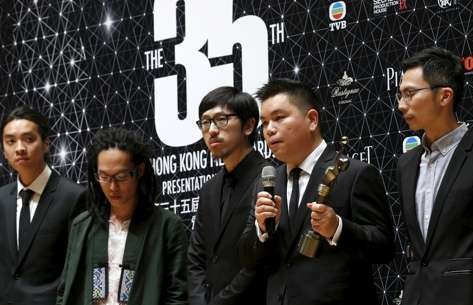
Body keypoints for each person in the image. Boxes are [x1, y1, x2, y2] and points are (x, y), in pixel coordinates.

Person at [239, 79, 394, 305]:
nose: (269, 129)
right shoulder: (266, 183)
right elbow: (247, 259)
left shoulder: (354, 174)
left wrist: (338, 228)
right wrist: (262, 230)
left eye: (279, 118)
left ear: (312, 119)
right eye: (264, 122)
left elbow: (384, 247)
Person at [56, 128, 188, 305]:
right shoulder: (82, 226)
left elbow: (177, 295)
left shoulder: (167, 226)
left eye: (121, 176)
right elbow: (65, 291)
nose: (112, 187)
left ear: (139, 171)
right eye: (103, 176)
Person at [397, 48, 473, 305]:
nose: (401, 105)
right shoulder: (406, 163)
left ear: (445, 96)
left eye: (410, 94)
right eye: (400, 95)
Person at [188, 86, 268, 305]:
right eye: (205, 122)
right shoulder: (209, 189)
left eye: (221, 120)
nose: (212, 130)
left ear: (249, 125)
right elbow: (196, 257)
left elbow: (260, 260)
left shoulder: (270, 179)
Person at [0, 106, 85, 305]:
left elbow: (81, 267)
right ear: (4, 150)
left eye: (29, 139)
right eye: (10, 141)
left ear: (47, 143)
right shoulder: (1, 199)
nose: (19, 148)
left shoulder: (74, 197)